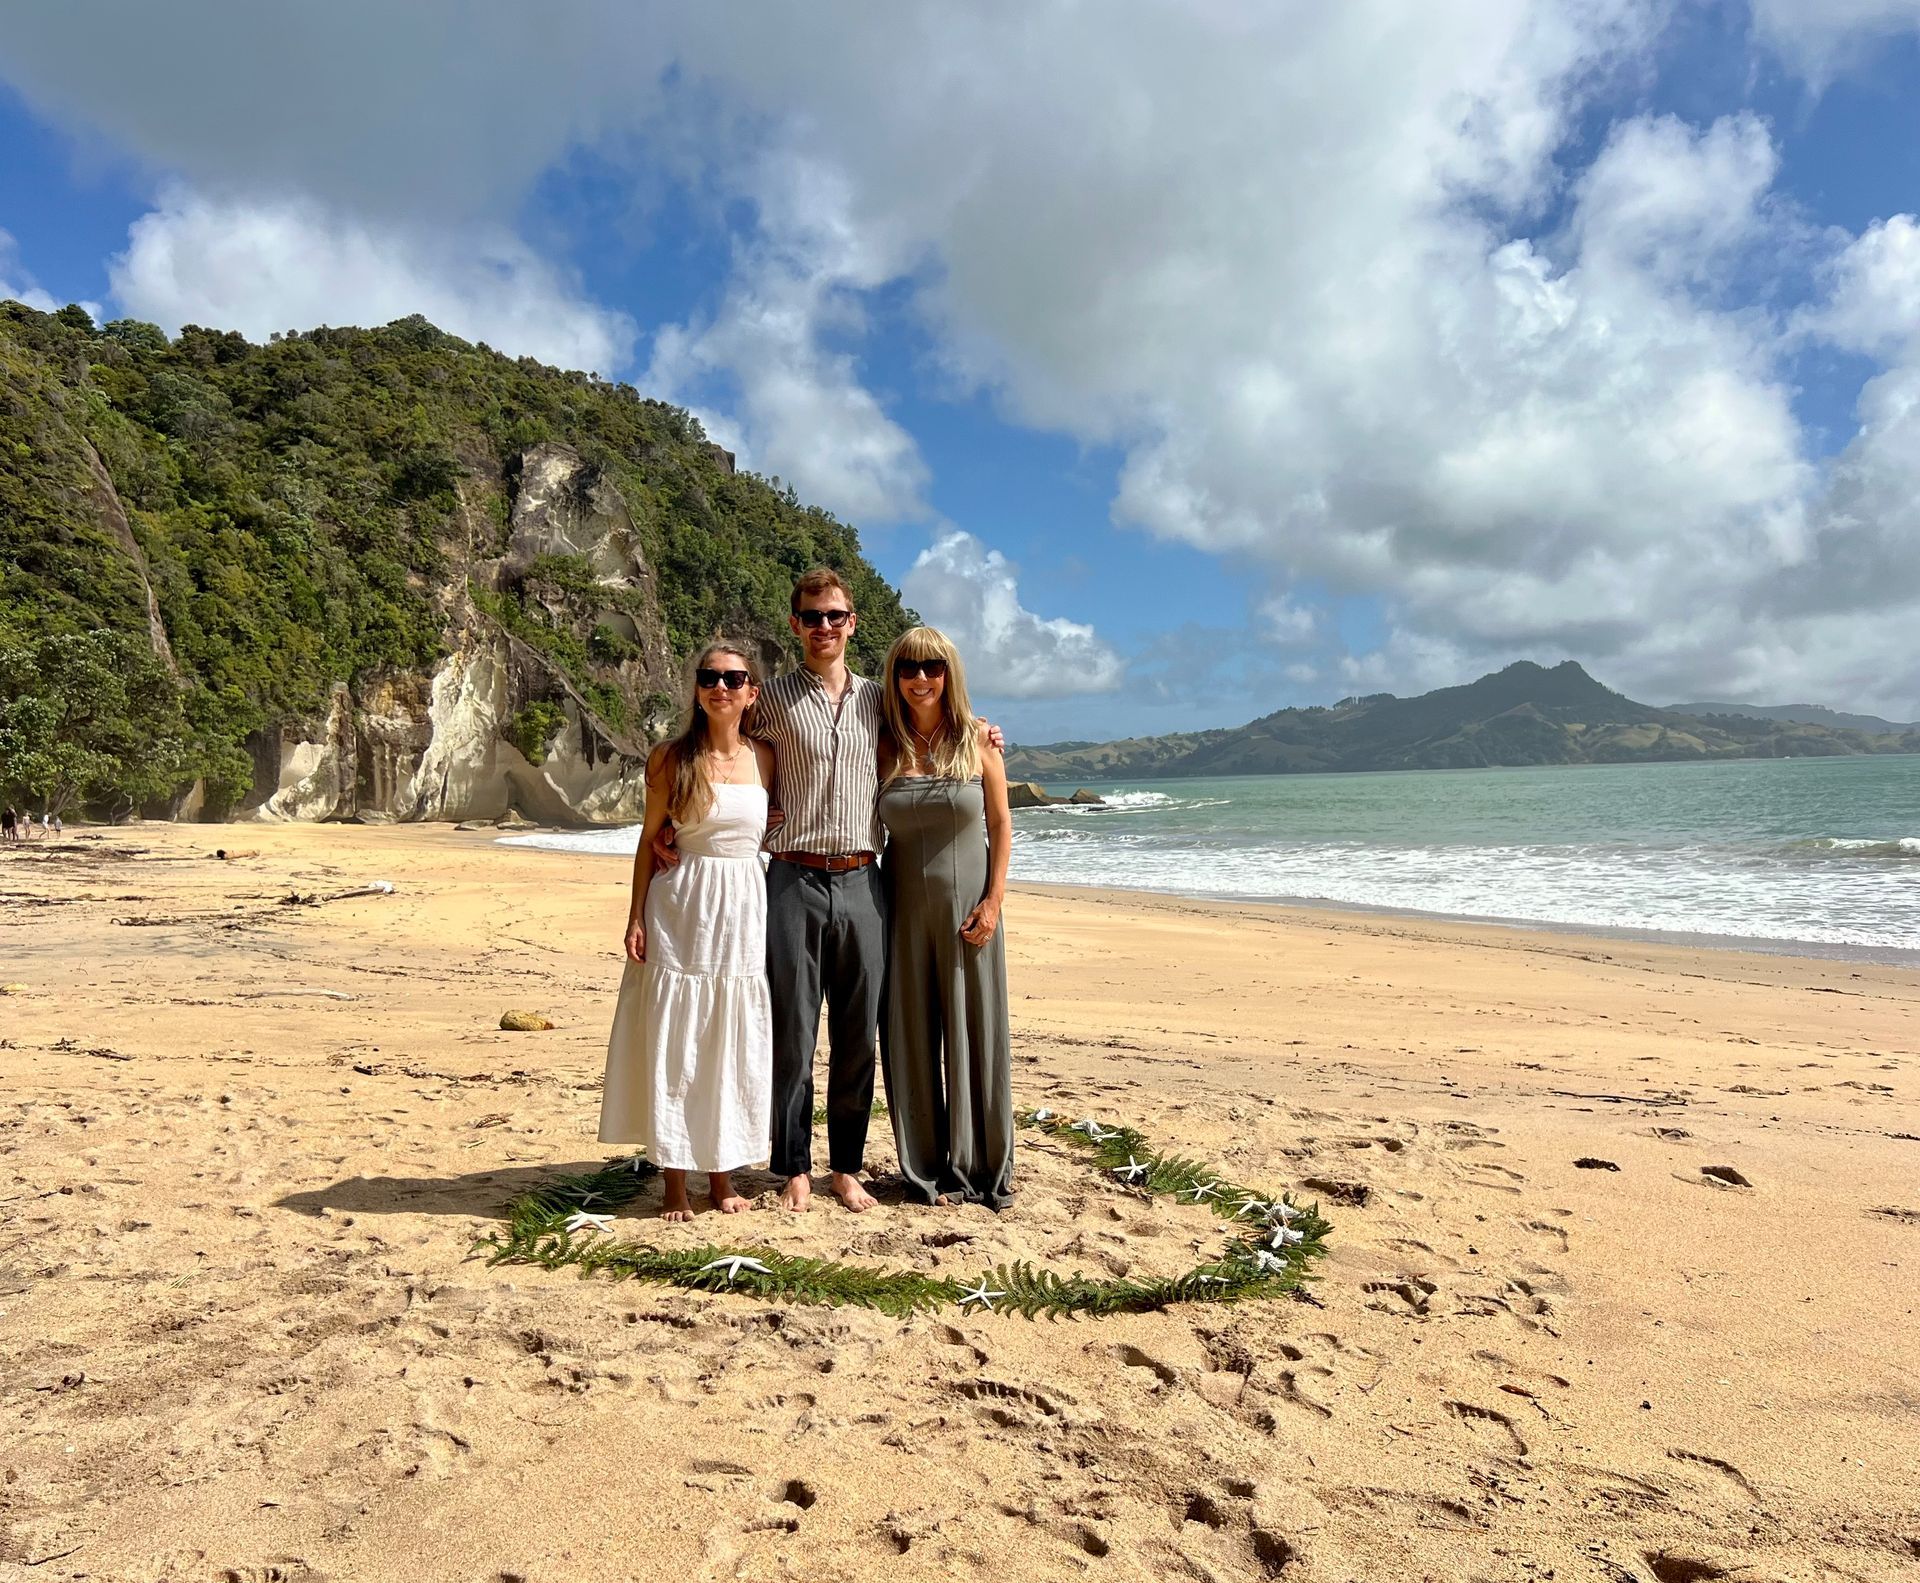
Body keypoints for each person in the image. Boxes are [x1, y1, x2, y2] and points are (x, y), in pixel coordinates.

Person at [600, 641, 774, 1221]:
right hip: (682, 906)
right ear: (697, 690)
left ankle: (722, 1176)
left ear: (752, 693)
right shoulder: (670, 758)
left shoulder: (766, 757)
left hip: (744, 908)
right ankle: (675, 1181)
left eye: (733, 679)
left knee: (728, 1039)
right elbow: (647, 842)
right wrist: (635, 916)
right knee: (677, 1038)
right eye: (709, 678)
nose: (720, 687)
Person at [877, 627, 1015, 1209]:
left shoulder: (978, 738)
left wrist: (993, 901)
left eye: (932, 667)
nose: (920, 679)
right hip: (900, 910)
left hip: (969, 911)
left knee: (975, 1030)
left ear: (949, 673)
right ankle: (925, 1166)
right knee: (908, 1034)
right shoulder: (882, 743)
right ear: (895, 676)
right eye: (908, 668)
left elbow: (1001, 823)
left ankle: (981, 1164)